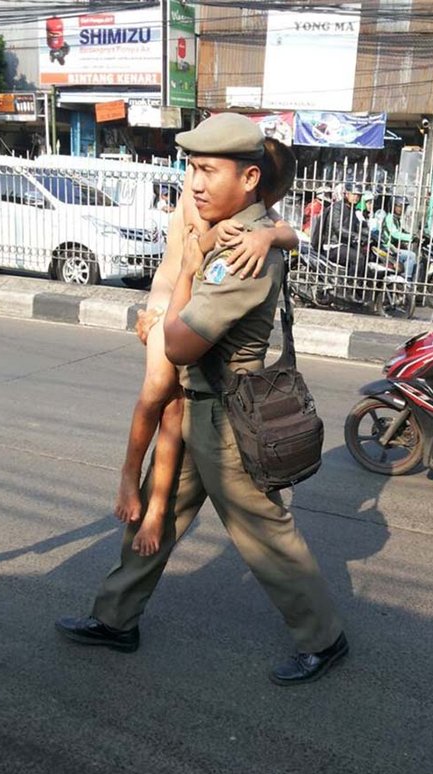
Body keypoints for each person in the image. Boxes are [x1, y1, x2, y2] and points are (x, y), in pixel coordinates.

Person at [56, 113, 347, 686]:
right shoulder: (229, 223)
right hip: (194, 409)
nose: (194, 182)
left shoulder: (243, 249)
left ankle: (324, 639)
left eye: (209, 170)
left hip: (226, 418)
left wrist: (180, 285)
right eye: (191, 167)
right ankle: (115, 619)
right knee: (155, 509)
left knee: (265, 535)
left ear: (249, 178)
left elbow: (182, 343)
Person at [112, 138, 298, 558]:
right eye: (197, 169)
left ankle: (158, 509)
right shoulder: (204, 195)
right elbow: (188, 260)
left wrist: (267, 236)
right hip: (169, 294)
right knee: (158, 390)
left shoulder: (252, 218)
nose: (198, 180)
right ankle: (128, 473)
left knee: (176, 411)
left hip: (192, 314)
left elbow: (291, 233)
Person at [320, 179, 368, 272]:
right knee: (359, 258)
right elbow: (338, 228)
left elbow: (358, 227)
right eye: (353, 194)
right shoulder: (337, 207)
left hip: (345, 245)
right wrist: (356, 236)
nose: (356, 197)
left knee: (368, 256)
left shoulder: (352, 210)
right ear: (346, 194)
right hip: (333, 246)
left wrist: (370, 234)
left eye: (358, 195)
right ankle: (351, 284)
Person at [373, 194, 418, 281]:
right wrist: (411, 238)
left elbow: (401, 231)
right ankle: (407, 279)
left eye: (403, 207)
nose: (401, 209)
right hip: (388, 247)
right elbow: (395, 234)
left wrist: (414, 235)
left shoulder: (395, 219)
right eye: (398, 206)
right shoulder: (390, 218)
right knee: (411, 256)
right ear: (392, 206)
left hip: (393, 247)